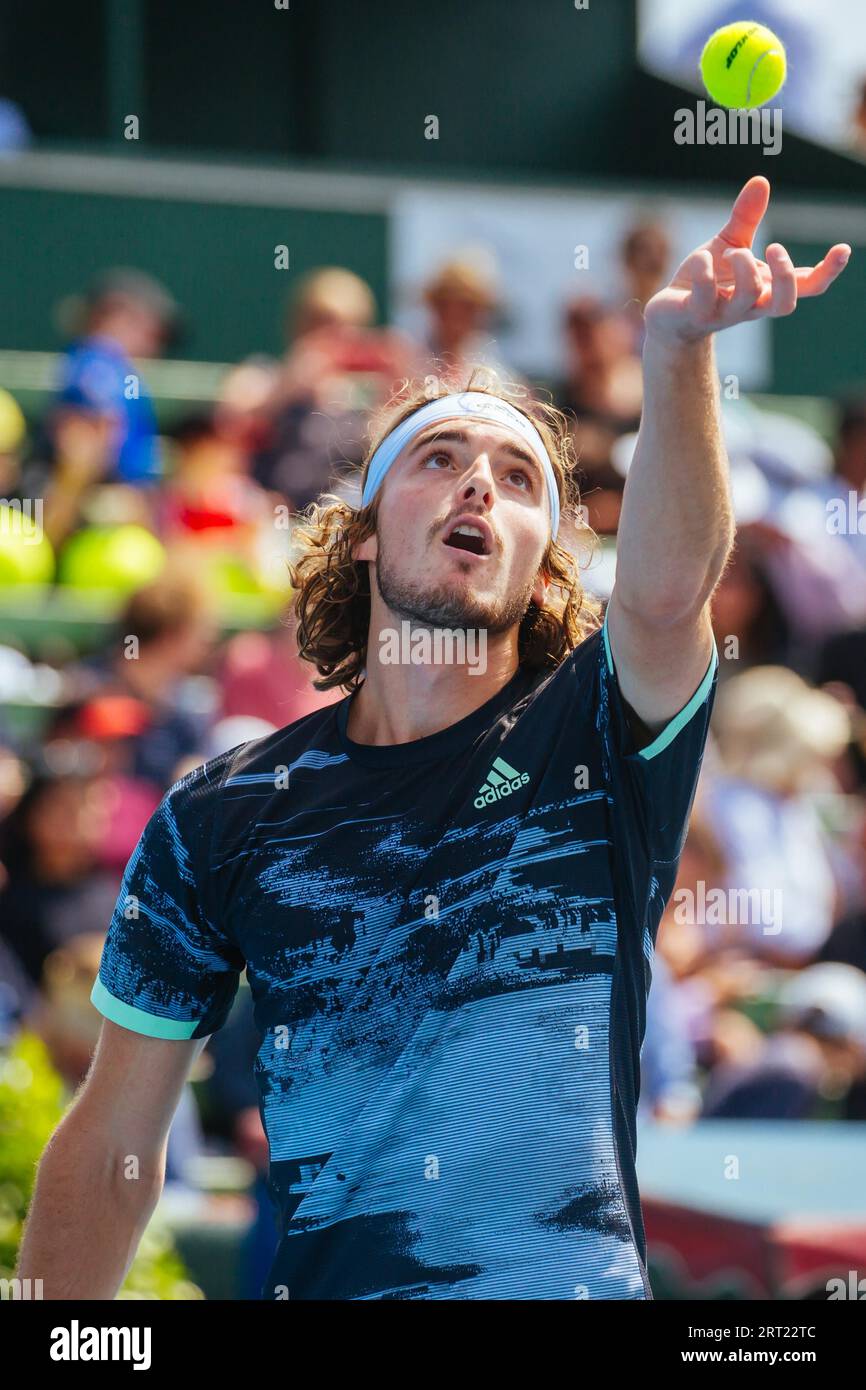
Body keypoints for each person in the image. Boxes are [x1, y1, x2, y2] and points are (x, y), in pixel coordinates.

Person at [18, 178, 850, 1300]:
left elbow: (660, 596)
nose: (480, 484)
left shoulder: (600, 736)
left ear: (540, 563)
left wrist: (677, 352)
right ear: (362, 541)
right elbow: (118, 1140)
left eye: (519, 481)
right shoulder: (222, 813)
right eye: (438, 458)